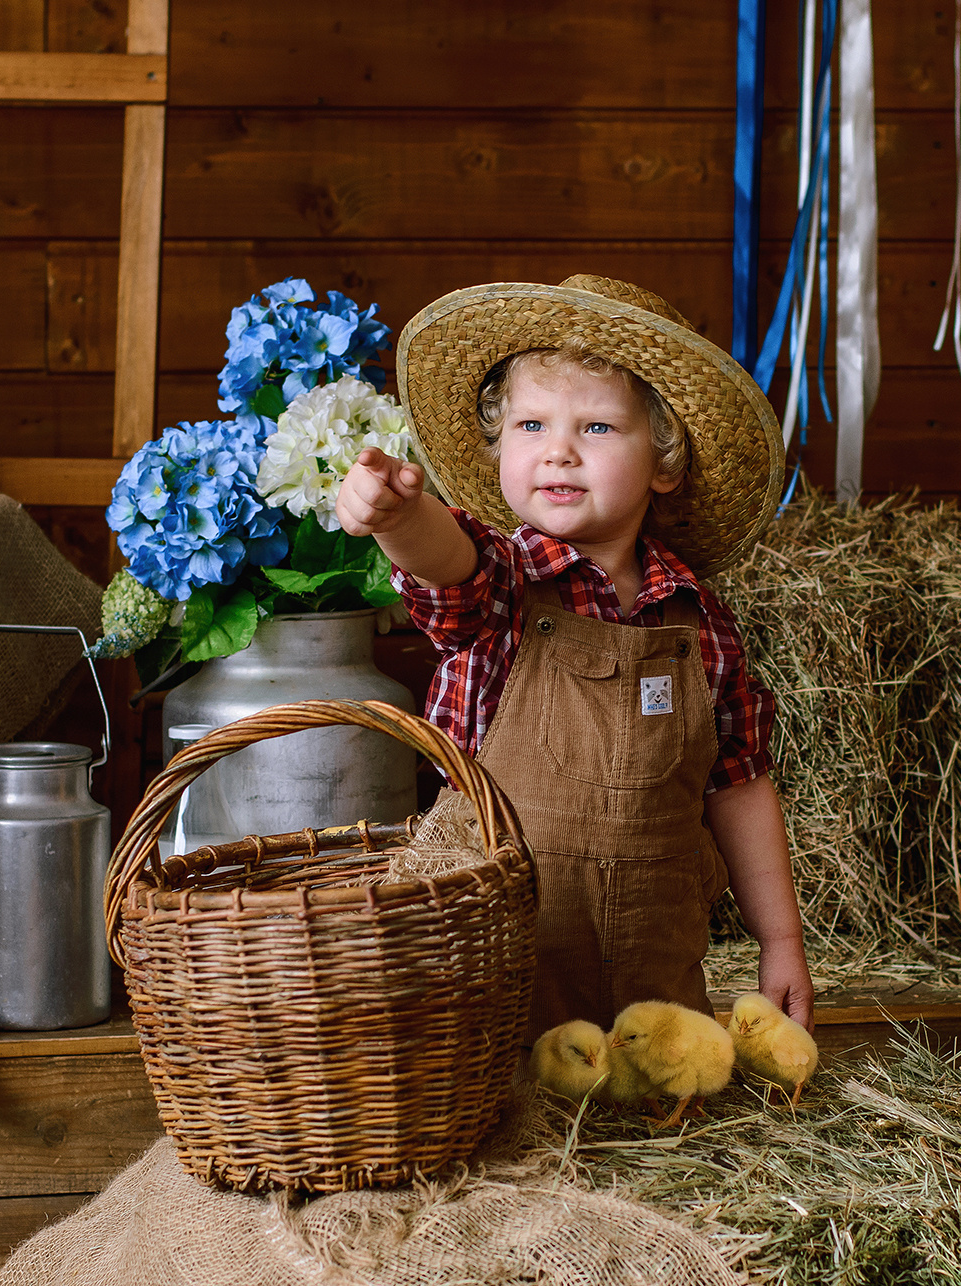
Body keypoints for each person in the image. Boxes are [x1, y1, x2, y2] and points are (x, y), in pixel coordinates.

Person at [336, 275, 815, 1037]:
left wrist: (781, 939)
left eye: (595, 428)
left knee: (659, 1107)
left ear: (665, 463)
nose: (557, 449)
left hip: (656, 987)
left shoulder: (701, 623)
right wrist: (398, 516)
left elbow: (740, 784)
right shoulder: (506, 583)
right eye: (530, 425)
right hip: (500, 968)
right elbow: (446, 563)